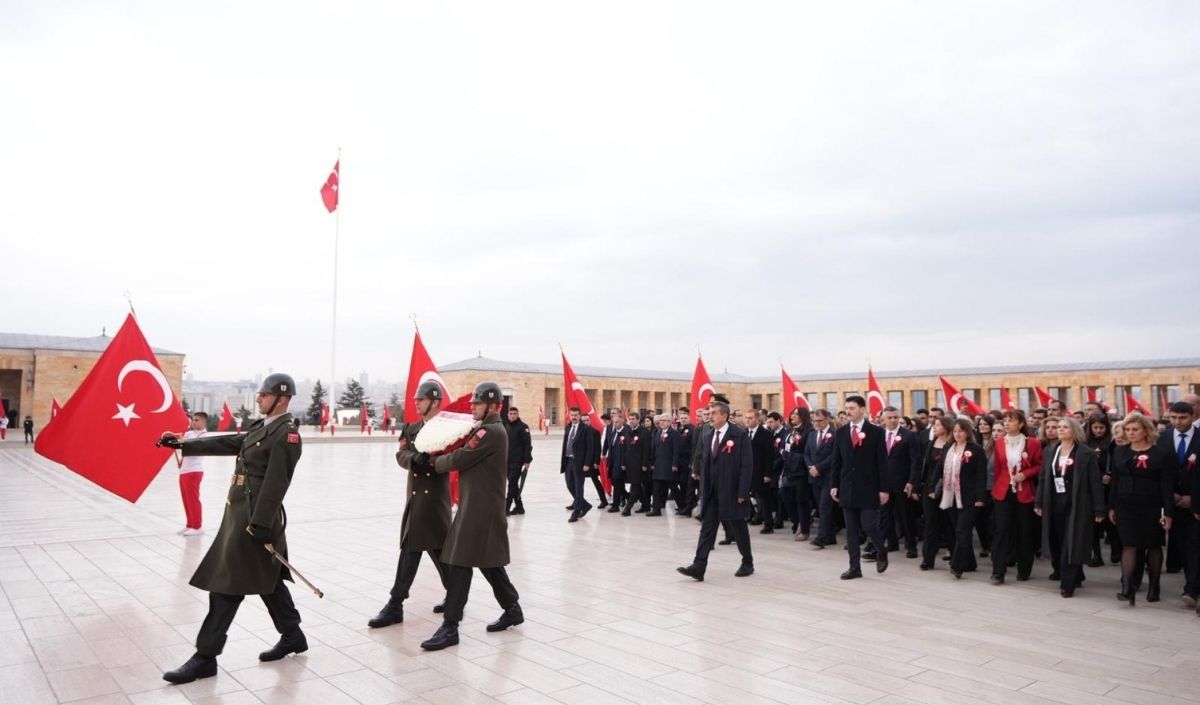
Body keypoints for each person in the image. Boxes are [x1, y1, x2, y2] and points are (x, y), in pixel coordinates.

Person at [157, 374, 307, 684]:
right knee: (268, 580)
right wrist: (183, 443)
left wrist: (260, 523)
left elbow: (276, 483)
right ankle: (293, 635)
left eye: (264, 394)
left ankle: (205, 657)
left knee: (226, 586)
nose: (259, 398)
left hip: (253, 521)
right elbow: (228, 442)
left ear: (282, 399)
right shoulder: (263, 427)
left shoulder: (287, 434)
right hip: (239, 516)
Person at [415, 382, 523, 650]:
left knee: (460, 563)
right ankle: (512, 608)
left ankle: (450, 626)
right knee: (488, 562)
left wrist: (433, 462)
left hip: (480, 509)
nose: (472, 406)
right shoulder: (484, 428)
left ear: (493, 406)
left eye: (478, 403)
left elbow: (461, 458)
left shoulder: (490, 431)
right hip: (478, 506)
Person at [367, 381, 452, 629]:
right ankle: (453, 595)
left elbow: (452, 457)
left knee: (426, 549)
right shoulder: (411, 429)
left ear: (435, 402)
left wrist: (434, 460)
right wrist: (417, 458)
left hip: (434, 498)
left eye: (421, 399)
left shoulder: (448, 429)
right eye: (416, 398)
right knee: (429, 549)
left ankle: (396, 605)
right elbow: (401, 455)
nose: (416, 402)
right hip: (416, 498)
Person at [676, 395, 754, 580]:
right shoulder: (709, 435)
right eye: (709, 413)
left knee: (738, 527)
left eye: (714, 413)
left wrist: (742, 491)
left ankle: (747, 562)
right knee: (707, 528)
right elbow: (706, 463)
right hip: (711, 491)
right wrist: (702, 489)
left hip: (732, 491)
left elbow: (747, 465)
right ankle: (698, 566)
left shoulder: (738, 435)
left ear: (724, 415)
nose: (710, 416)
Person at [1034, 416, 1105, 597]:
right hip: (1055, 502)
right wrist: (1039, 501)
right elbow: (1043, 478)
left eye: (1065, 427)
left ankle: (1067, 584)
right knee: (1058, 542)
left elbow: (1095, 482)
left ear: (1074, 431)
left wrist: (1099, 508)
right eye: (1059, 427)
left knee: (1072, 542)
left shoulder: (1086, 453)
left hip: (1077, 503)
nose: (1060, 429)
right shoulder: (1051, 450)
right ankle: (1077, 574)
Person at [1110, 412, 1175, 606]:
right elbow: (1115, 481)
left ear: (1146, 431)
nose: (1130, 433)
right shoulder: (1120, 452)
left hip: (1151, 505)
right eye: (1127, 429)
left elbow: (1167, 485)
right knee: (1129, 544)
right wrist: (1111, 506)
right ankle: (1127, 588)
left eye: (1135, 429)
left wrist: (1168, 512)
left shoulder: (1161, 454)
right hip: (1125, 505)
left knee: (1153, 545)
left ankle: (1154, 586)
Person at [830, 395, 889, 580]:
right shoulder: (841, 432)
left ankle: (881, 550)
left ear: (862, 410)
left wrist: (884, 489)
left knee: (869, 524)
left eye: (852, 408)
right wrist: (834, 485)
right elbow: (836, 461)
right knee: (851, 531)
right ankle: (854, 567)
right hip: (847, 488)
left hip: (869, 487)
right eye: (847, 408)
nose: (848, 411)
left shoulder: (876, 432)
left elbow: (882, 463)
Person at [990, 409, 1043, 584]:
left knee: (1024, 531)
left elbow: (1039, 466)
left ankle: (1024, 569)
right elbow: (998, 469)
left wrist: (1025, 474)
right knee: (1001, 531)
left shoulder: (1033, 443)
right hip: (1003, 492)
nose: (1006, 423)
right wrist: (996, 491)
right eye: (1005, 420)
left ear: (1021, 424)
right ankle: (998, 571)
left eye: (1011, 420)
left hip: (1024, 492)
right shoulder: (999, 442)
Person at [930, 418, 988, 578]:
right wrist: (932, 486)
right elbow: (939, 468)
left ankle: (957, 565)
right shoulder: (949, 447)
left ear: (967, 432)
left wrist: (980, 497)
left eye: (961, 431)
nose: (958, 434)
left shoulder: (976, 450)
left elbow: (981, 475)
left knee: (963, 530)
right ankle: (970, 562)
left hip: (969, 496)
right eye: (955, 431)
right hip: (951, 495)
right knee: (959, 530)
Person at [1158, 401, 1199, 604]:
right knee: (1182, 546)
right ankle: (1192, 584)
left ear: (1192, 416)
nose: (1177, 422)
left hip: (1196, 503)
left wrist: (1194, 498)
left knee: (1195, 545)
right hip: (1172, 502)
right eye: (1173, 417)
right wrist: (1170, 496)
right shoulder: (1163, 438)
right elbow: (1160, 472)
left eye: (1182, 418)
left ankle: (1192, 589)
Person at [879, 406, 921, 558]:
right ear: (883, 420)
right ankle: (891, 543)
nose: (893, 420)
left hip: (902, 482)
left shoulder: (909, 435)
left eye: (895, 417)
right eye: (889, 417)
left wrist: (912, 481)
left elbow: (915, 460)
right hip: (883, 483)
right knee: (885, 514)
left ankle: (911, 546)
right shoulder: (879, 435)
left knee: (905, 515)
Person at [914, 417, 952, 570]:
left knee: (949, 523)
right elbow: (925, 466)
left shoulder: (952, 444)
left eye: (937, 425)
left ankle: (955, 555)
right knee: (930, 524)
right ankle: (928, 559)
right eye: (934, 425)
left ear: (946, 427)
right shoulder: (931, 443)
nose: (934, 427)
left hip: (947, 487)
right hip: (929, 488)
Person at [1085, 414, 1120, 565]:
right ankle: (1096, 554)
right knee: (1093, 523)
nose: (1098, 431)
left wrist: (1109, 475)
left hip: (1109, 486)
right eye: (1095, 427)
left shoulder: (1112, 442)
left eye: (1101, 427)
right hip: (1092, 486)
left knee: (1111, 521)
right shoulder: (1086, 443)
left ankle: (1116, 548)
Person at [805, 408, 838, 548]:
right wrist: (811, 467)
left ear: (827, 419)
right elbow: (807, 453)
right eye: (814, 421)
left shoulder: (835, 434)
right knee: (821, 507)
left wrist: (819, 467)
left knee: (825, 507)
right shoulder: (812, 435)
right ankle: (830, 535)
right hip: (814, 476)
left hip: (828, 476)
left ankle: (821, 537)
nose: (817, 423)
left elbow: (834, 456)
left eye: (820, 421)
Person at [777, 409, 810, 539]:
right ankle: (797, 521)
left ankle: (804, 528)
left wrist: (787, 454)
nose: (793, 416)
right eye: (792, 414)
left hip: (801, 470)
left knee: (801, 500)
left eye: (796, 414)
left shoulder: (808, 431)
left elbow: (805, 451)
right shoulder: (790, 431)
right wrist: (784, 453)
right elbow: (784, 446)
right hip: (788, 469)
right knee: (785, 495)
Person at [560, 407, 596, 523]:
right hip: (568, 461)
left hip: (580, 463)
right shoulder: (568, 427)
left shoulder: (586, 429)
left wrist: (587, 463)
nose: (574, 417)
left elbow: (590, 447)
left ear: (579, 416)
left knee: (579, 487)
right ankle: (585, 505)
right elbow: (565, 444)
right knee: (570, 485)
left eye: (576, 415)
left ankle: (576, 512)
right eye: (572, 415)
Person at [745, 410, 777, 533]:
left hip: (760, 471)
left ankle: (768, 523)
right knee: (745, 494)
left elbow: (769, 456)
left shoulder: (765, 434)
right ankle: (752, 515)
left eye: (751, 418)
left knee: (764, 498)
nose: (748, 420)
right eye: (747, 418)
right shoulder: (744, 433)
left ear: (757, 419)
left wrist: (767, 474)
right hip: (747, 471)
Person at [177, 412, 208, 536]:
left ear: (204, 422)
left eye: (197, 420)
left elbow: (194, 448)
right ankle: (189, 524)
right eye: (193, 420)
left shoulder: (204, 436)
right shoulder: (189, 433)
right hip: (184, 470)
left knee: (193, 499)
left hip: (194, 471)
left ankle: (197, 526)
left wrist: (182, 443)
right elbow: (180, 447)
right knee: (186, 499)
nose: (193, 422)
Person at [649, 413, 681, 516]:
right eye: (661, 420)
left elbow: (676, 450)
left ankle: (682, 506)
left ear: (670, 422)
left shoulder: (674, 433)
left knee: (673, 488)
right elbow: (654, 448)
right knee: (656, 488)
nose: (661, 422)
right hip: (658, 465)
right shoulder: (658, 432)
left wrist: (675, 464)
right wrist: (652, 462)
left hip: (669, 465)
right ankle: (656, 509)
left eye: (664, 420)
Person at [504, 406, 533, 515]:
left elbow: (527, 445)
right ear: (508, 415)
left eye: (514, 414)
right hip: (508, 461)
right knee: (514, 485)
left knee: (511, 484)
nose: (512, 416)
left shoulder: (523, 427)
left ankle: (506, 508)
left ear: (518, 414)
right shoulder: (507, 426)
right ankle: (519, 507)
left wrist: (527, 461)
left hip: (517, 461)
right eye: (511, 414)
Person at [623, 412, 651, 515]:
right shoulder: (627, 431)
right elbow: (625, 449)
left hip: (639, 464)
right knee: (637, 486)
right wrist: (623, 462)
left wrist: (645, 464)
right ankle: (646, 505)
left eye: (633, 419)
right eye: (630, 419)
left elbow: (646, 450)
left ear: (638, 420)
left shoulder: (644, 432)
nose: (631, 421)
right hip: (630, 464)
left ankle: (627, 509)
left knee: (634, 486)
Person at [607, 409, 631, 513]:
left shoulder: (626, 432)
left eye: (617, 422)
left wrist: (624, 463)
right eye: (614, 422)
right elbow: (611, 447)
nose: (615, 424)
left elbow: (627, 449)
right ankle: (629, 496)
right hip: (613, 462)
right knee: (615, 483)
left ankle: (615, 505)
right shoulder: (614, 433)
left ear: (622, 421)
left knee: (617, 484)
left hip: (620, 463)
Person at [675, 406, 695, 516]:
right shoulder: (679, 430)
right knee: (682, 485)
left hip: (687, 462)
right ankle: (683, 506)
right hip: (680, 462)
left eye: (685, 418)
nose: (683, 420)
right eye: (681, 418)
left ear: (689, 418)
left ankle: (688, 507)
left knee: (686, 485)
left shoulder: (691, 430)